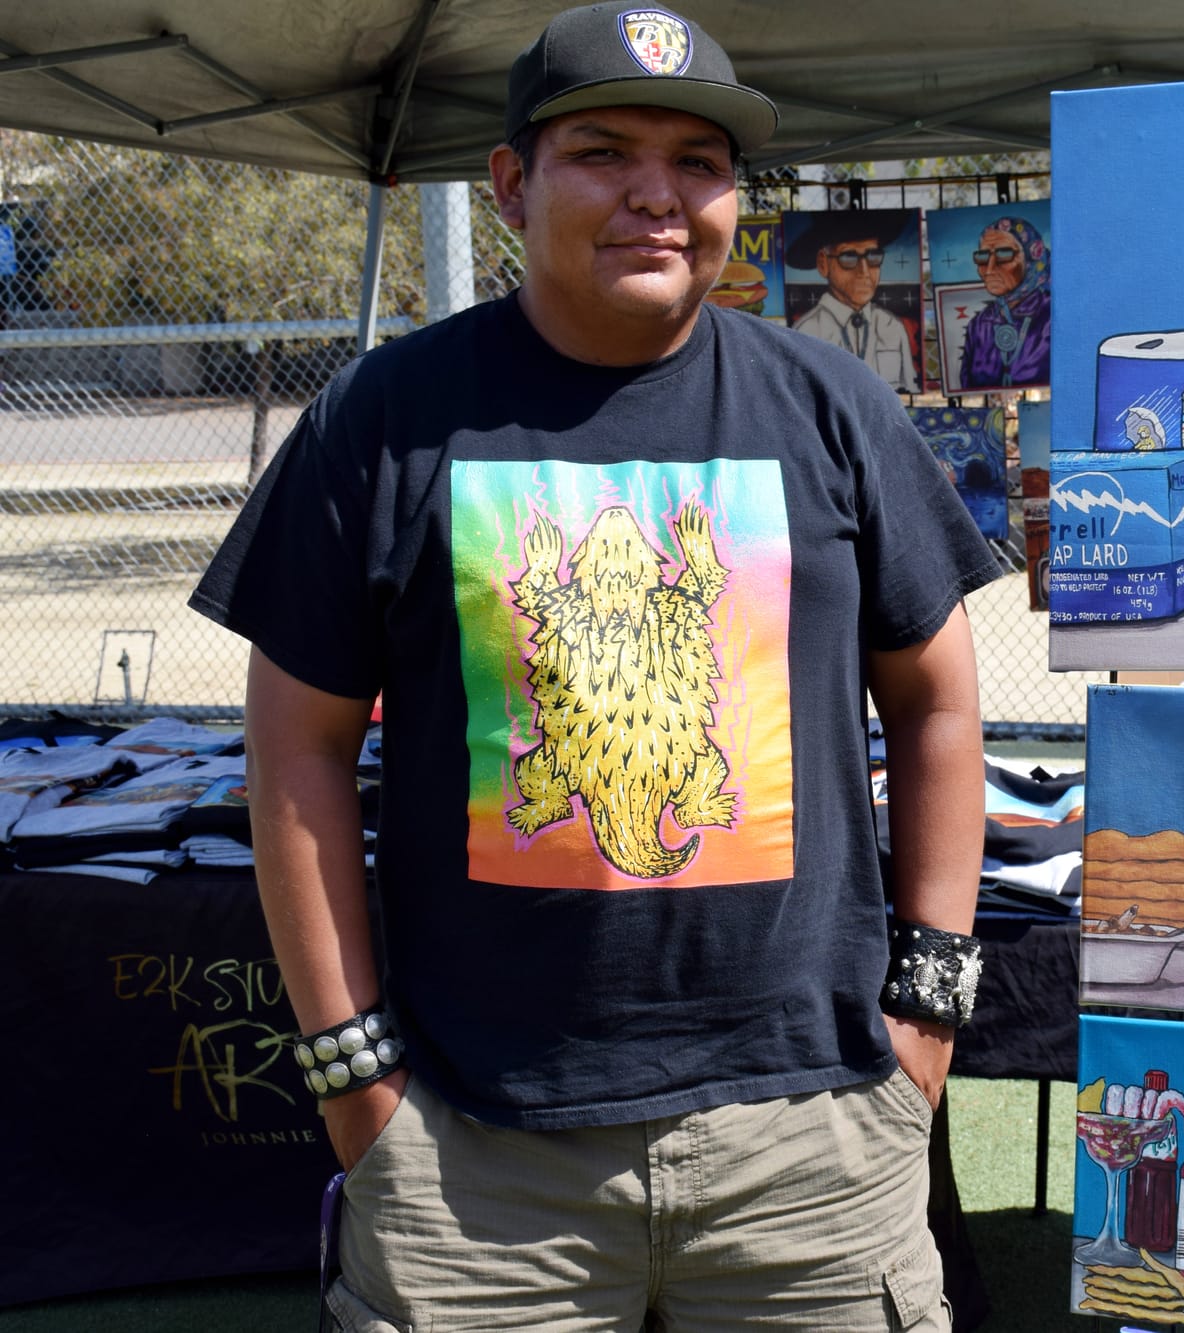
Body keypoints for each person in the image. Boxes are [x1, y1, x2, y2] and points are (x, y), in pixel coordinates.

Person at [188, 5, 1000, 1329]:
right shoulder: (384, 420)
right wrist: (356, 1083)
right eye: (604, 151)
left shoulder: (831, 408)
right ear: (510, 184)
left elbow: (940, 704)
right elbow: (297, 751)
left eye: (698, 160)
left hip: (813, 1136)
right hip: (478, 1155)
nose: (657, 195)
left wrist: (926, 1021)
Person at [787, 210, 921, 391]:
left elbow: (908, 388)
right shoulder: (807, 331)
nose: (864, 271)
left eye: (873, 256)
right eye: (849, 257)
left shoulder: (891, 326)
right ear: (823, 264)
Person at [957, 215, 1051, 391]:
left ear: (1031, 258)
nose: (990, 269)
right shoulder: (979, 325)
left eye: (1004, 255)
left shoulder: (1052, 317)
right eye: (982, 257)